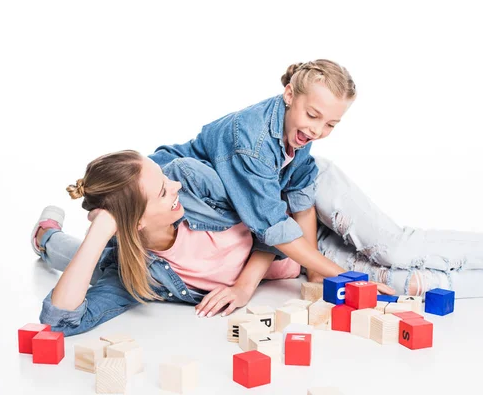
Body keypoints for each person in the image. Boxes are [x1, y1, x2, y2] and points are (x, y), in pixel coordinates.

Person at [30, 150, 394, 336]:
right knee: (87, 259)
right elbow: (62, 320)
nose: (174, 186)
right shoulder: (138, 273)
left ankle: (46, 234)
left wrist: (244, 286)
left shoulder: (192, 179)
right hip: (123, 246)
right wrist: (101, 230)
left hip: (306, 244)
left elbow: (273, 213)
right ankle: (47, 237)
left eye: (164, 179)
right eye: (162, 191)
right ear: (137, 221)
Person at [150, 59, 360, 283]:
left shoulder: (299, 128)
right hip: (181, 187)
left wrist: (316, 274)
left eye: (330, 125)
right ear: (289, 95)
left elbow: (301, 198)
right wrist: (347, 276)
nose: (318, 130)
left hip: (230, 208)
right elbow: (272, 225)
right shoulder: (253, 144)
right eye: (313, 115)